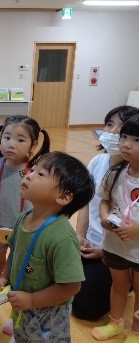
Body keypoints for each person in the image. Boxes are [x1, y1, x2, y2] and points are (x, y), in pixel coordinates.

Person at [0, 151, 95, 342]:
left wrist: (32, 300)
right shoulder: (23, 218)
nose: (29, 175)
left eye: (40, 174)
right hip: (24, 308)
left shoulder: (62, 238)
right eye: (32, 170)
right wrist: (5, 276)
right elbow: (15, 250)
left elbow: (71, 287)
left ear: (64, 197)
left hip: (48, 318)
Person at [0, 115, 50, 335]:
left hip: (24, 232)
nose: (10, 144)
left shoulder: (36, 169)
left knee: (18, 273)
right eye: (6, 137)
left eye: (20, 139)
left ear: (34, 145)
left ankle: (17, 315)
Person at [73, 105, 139, 321]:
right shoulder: (98, 162)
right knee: (52, 280)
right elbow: (88, 203)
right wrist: (79, 236)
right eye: (109, 124)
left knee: (85, 308)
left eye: (121, 129)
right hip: (89, 243)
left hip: (116, 249)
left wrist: (104, 250)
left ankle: (127, 283)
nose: (112, 133)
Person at [91, 114, 139, 342]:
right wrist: (103, 218)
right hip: (115, 243)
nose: (127, 144)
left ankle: (137, 331)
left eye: (137, 140)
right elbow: (105, 200)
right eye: (125, 137)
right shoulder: (116, 172)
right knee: (119, 285)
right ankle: (116, 322)